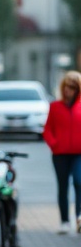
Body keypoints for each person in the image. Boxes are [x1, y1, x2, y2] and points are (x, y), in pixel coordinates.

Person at [42, 70, 81, 234]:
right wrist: (54, 144)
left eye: (72, 87)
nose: (68, 90)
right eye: (66, 86)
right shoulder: (55, 107)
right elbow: (47, 129)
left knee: (79, 182)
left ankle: (79, 217)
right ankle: (64, 221)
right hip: (60, 154)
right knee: (62, 187)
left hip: (79, 153)